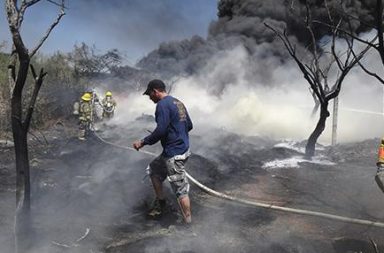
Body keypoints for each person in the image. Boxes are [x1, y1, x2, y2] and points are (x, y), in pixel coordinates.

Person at [133, 79, 193, 224]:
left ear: (155, 91)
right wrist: (176, 133)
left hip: (174, 153)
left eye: (150, 95)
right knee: (154, 170)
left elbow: (160, 130)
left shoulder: (162, 105)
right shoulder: (178, 102)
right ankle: (162, 205)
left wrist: (143, 142)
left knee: (180, 190)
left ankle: (189, 226)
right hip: (179, 150)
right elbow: (189, 125)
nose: (150, 98)